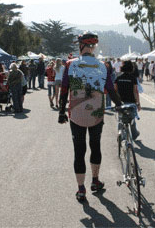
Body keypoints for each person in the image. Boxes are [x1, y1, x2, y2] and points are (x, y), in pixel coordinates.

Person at [58, 32, 121, 202]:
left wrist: (61, 112)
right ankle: (95, 181)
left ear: (81, 46)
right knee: (95, 146)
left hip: (76, 114)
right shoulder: (103, 66)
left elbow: (64, 89)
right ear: (93, 47)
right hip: (97, 114)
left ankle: (81, 189)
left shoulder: (70, 64)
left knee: (79, 151)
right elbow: (111, 90)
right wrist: (119, 106)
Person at [114, 60, 141, 139]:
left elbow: (115, 91)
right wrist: (138, 103)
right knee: (132, 119)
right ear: (131, 68)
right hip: (131, 102)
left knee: (121, 119)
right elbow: (135, 91)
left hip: (121, 102)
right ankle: (134, 134)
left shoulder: (118, 78)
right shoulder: (132, 78)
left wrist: (116, 101)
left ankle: (120, 135)